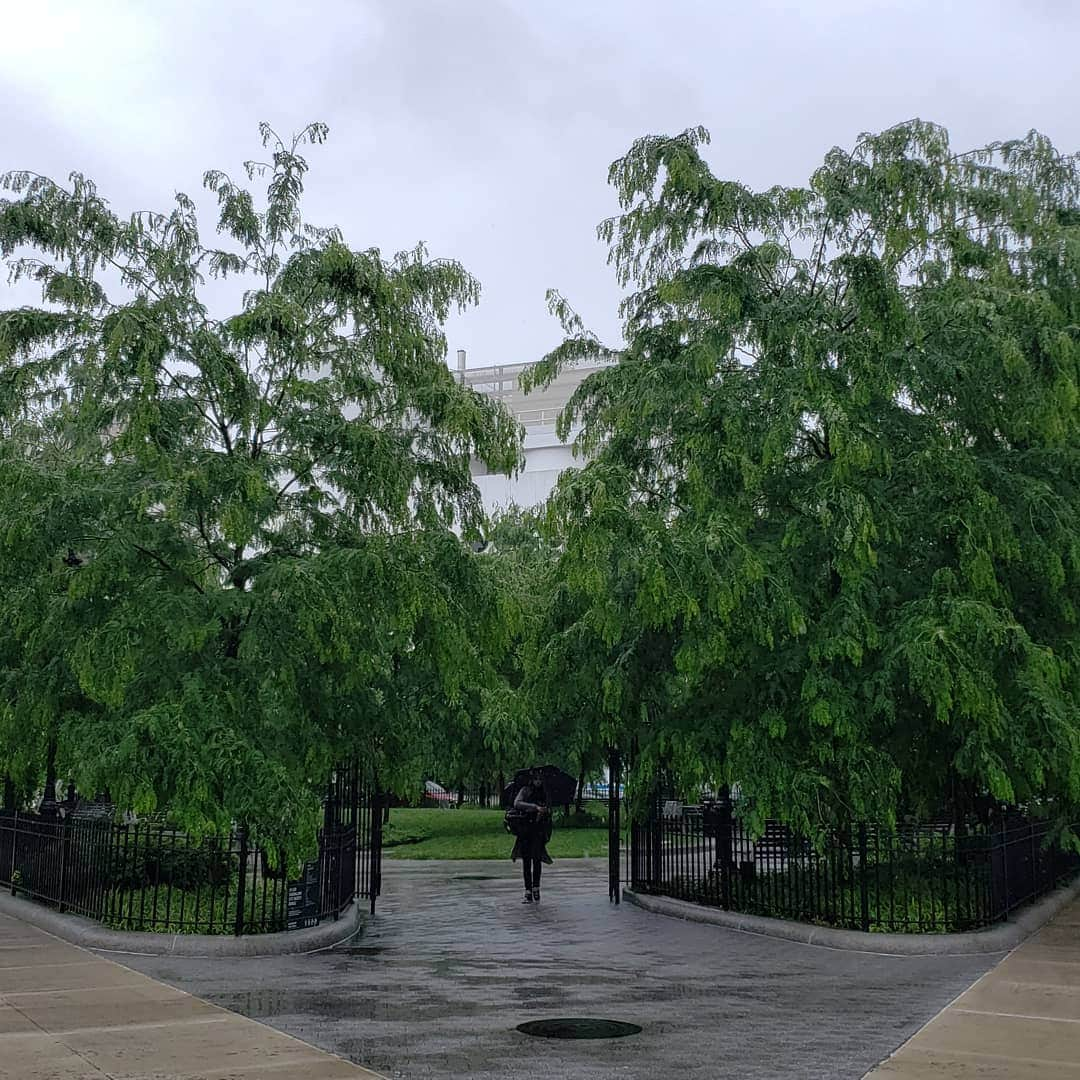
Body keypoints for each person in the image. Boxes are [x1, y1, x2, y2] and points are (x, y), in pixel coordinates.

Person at [512, 771, 554, 904]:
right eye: (535, 779)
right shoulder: (525, 790)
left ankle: (536, 888)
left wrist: (544, 811)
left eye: (540, 779)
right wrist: (534, 807)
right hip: (525, 829)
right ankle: (528, 890)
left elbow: (549, 808)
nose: (538, 782)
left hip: (538, 830)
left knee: (536, 859)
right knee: (526, 861)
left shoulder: (544, 793)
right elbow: (517, 803)